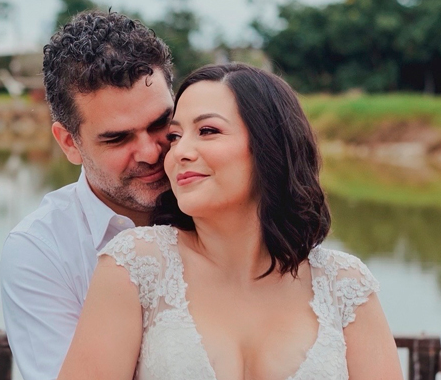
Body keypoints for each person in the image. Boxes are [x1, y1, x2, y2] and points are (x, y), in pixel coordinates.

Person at [57, 63, 403, 380]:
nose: (179, 152)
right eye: (175, 136)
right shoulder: (134, 266)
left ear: (269, 146)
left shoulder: (345, 286)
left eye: (208, 130)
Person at [0, 10, 174, 380]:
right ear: (69, 143)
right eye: (118, 138)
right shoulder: (41, 249)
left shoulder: (233, 205)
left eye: (161, 123)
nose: (150, 153)